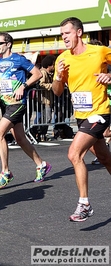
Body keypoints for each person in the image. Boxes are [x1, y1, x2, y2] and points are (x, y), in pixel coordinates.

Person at [52, 17, 111, 222]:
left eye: (67, 33)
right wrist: (59, 77)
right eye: (61, 34)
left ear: (78, 32)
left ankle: (84, 204)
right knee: (105, 158)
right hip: (81, 117)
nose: (64, 37)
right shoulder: (62, 59)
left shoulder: (100, 52)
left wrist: (110, 77)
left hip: (99, 113)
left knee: (74, 154)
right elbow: (57, 92)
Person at [0, 32, 51, 189]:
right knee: (20, 138)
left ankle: (5, 172)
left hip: (18, 103)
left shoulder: (18, 59)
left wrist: (24, 86)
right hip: (5, 104)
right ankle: (41, 165)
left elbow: (37, 74)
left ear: (8, 44)